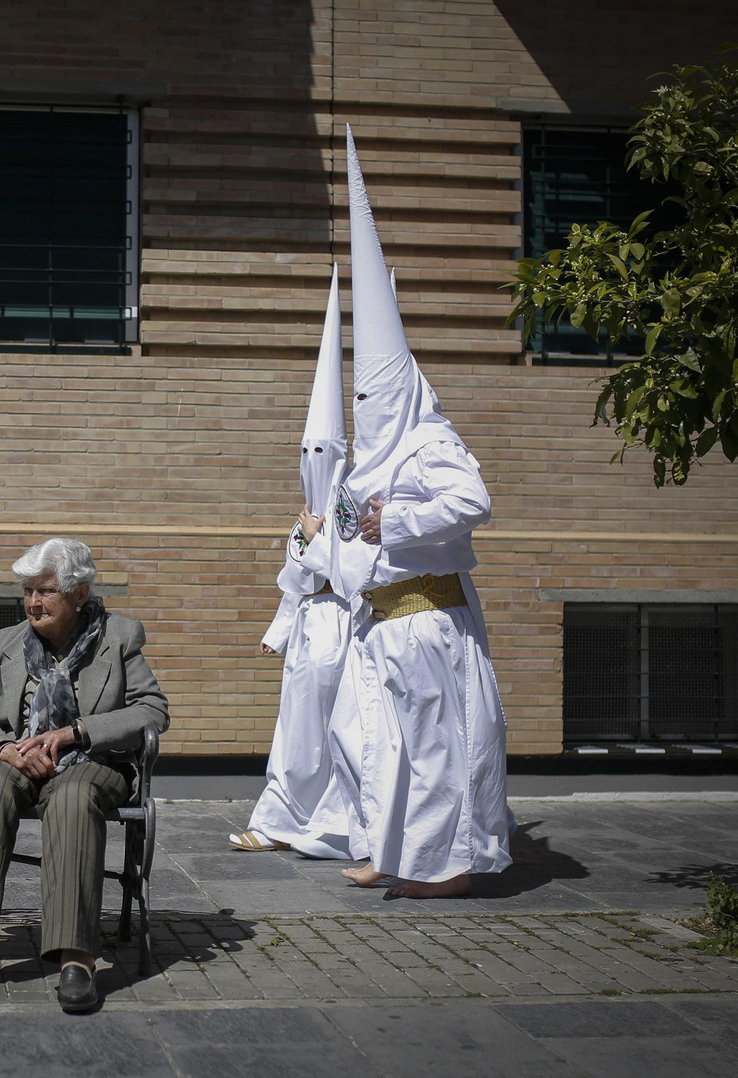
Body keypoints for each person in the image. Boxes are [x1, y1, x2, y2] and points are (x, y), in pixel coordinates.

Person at [302, 127, 512, 898]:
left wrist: (392, 519)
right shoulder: (372, 457)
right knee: (382, 746)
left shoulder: (428, 441)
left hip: (427, 620)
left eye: (372, 396)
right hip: (379, 623)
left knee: (437, 747)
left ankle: (447, 864)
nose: (365, 407)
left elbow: (472, 502)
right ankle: (392, 852)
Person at [0, 538, 169, 1012]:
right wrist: (8, 750)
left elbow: (153, 712)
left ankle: (77, 958)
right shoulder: (4, 644)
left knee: (71, 800)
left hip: (93, 764)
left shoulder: (120, 638)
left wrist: (76, 732)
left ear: (79, 593)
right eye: (27, 591)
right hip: (19, 763)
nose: (32, 602)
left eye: (45, 591)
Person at [231, 266, 359, 860]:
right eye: (304, 451)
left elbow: (356, 569)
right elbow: (296, 583)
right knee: (296, 731)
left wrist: (322, 537)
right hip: (310, 629)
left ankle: (337, 823)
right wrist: (279, 630)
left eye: (321, 451)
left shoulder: (356, 504)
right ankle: (280, 816)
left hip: (346, 629)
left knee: (337, 731)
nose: (311, 459)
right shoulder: (303, 513)